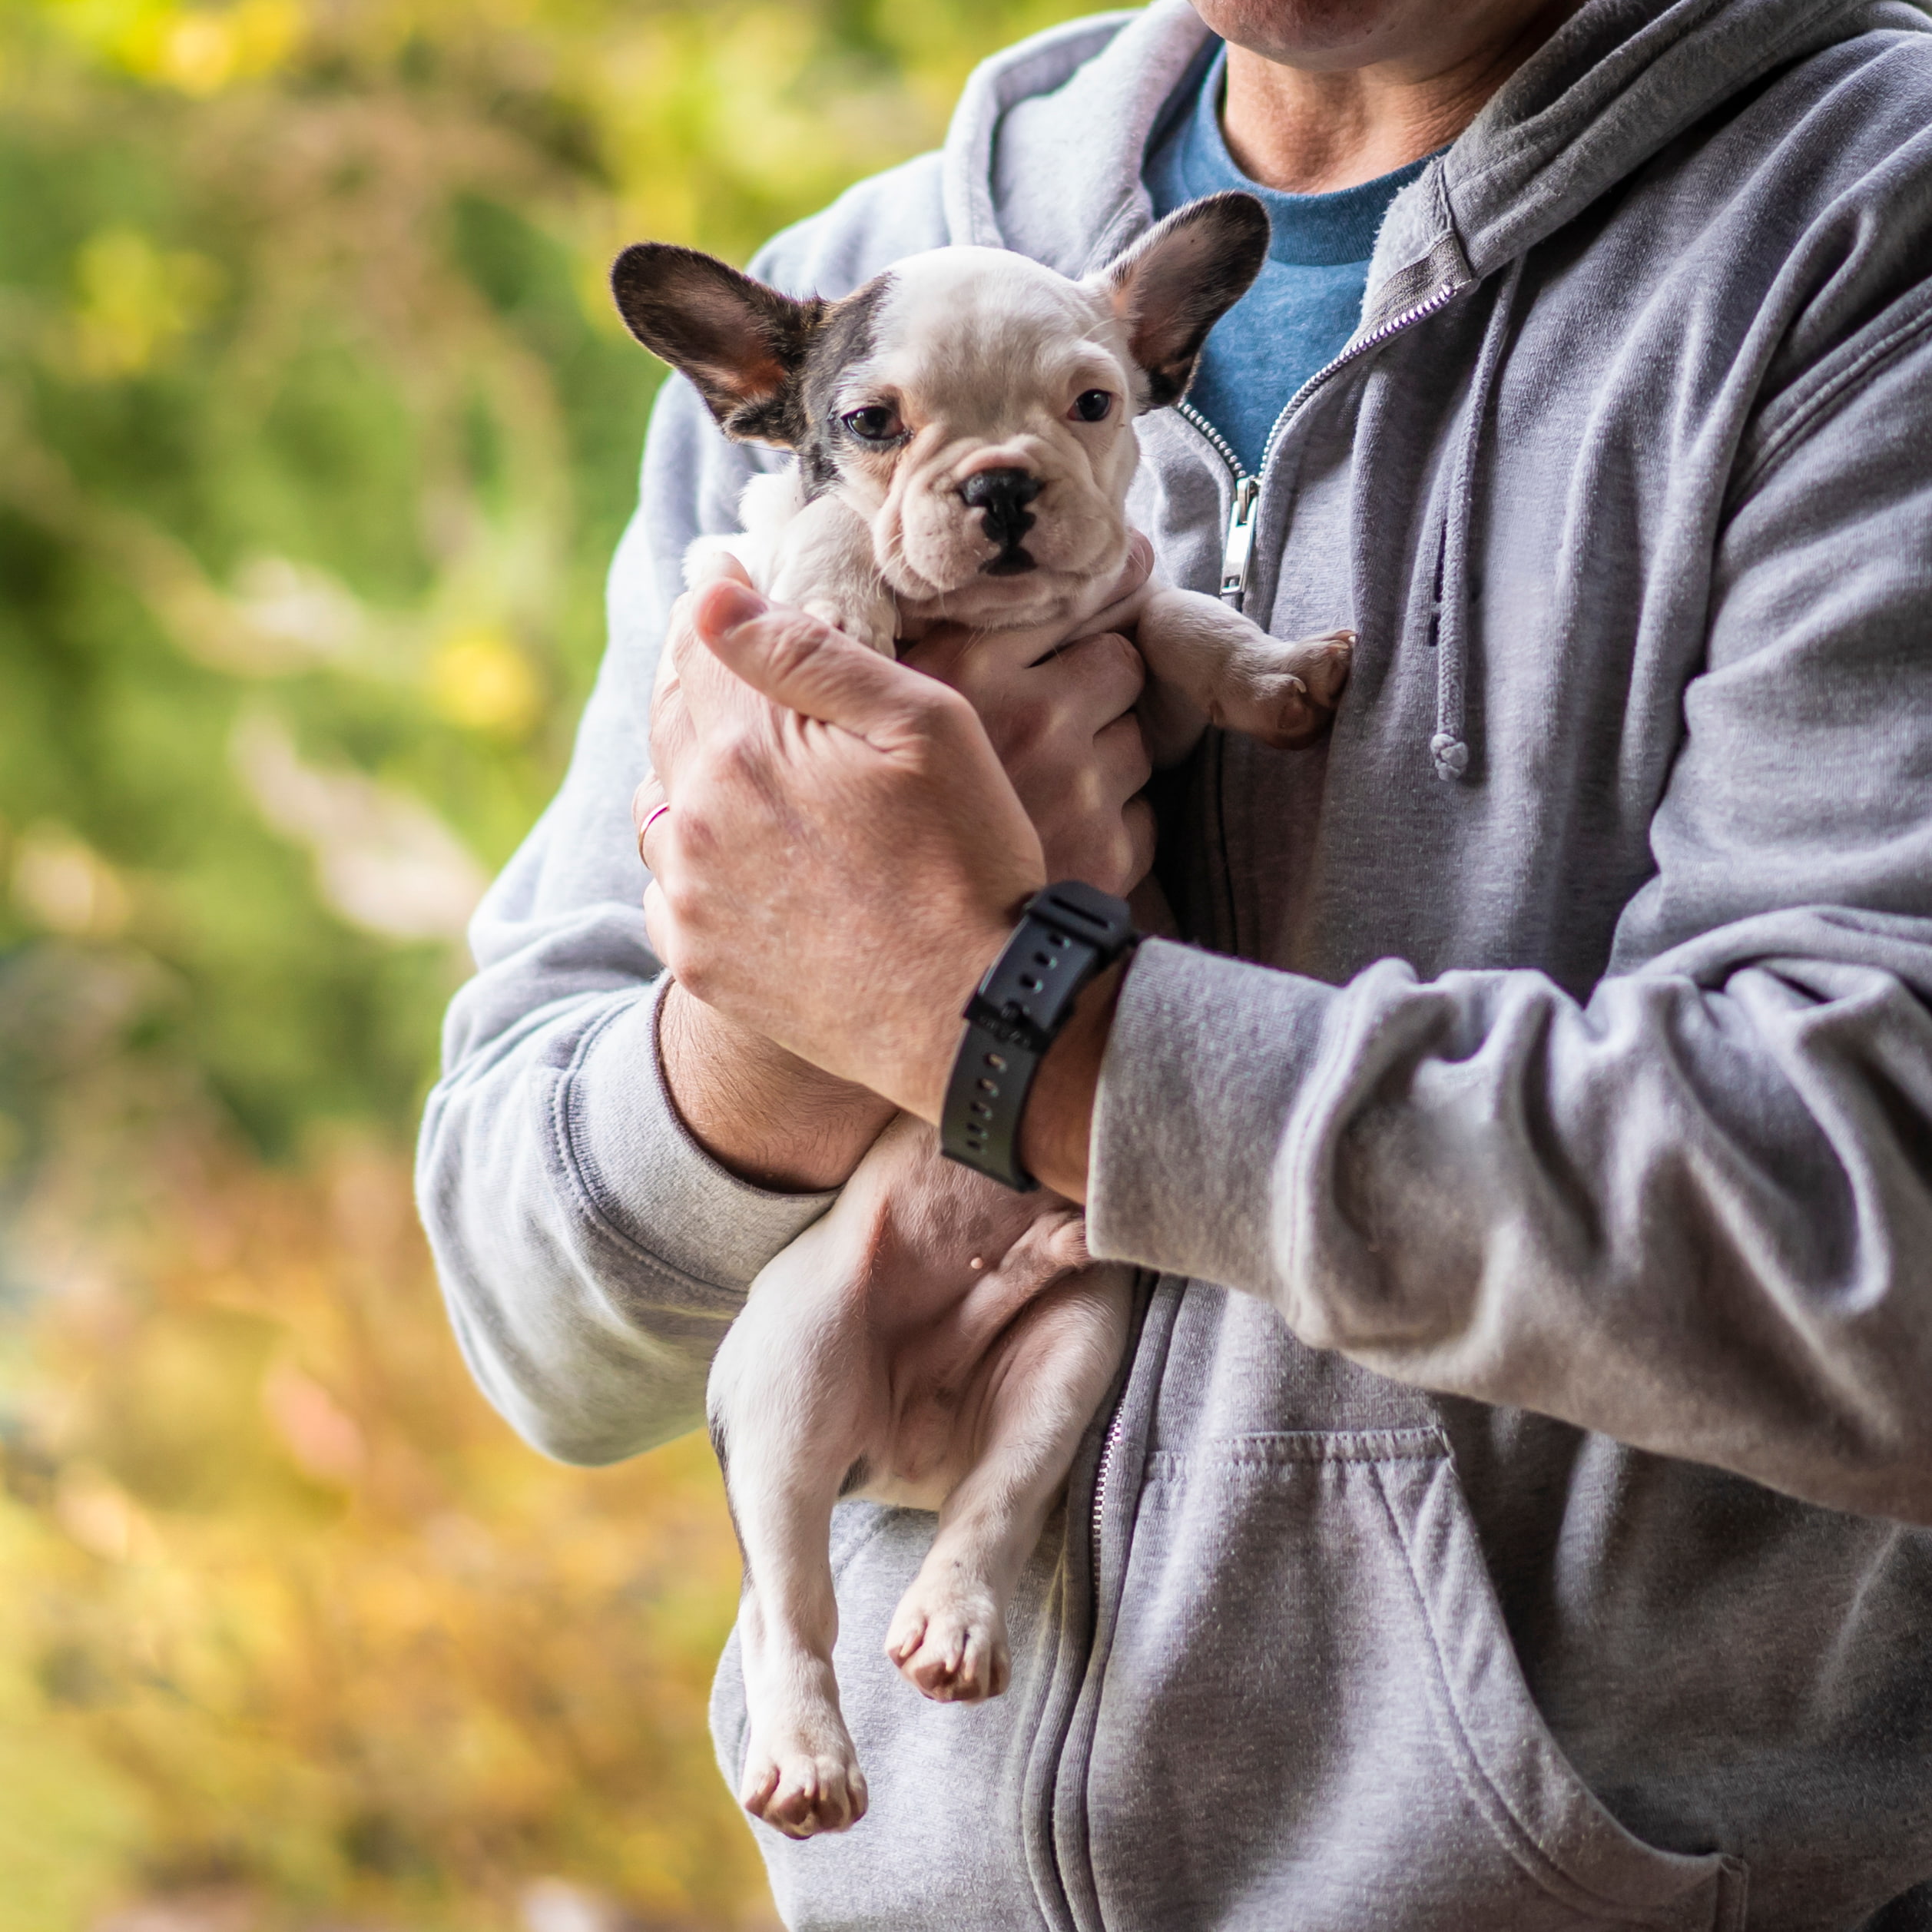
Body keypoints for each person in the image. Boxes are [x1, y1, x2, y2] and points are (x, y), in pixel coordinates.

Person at [416, 0, 1932, 1923]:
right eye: (890, 433)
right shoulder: (829, 297)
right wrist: (777, 1025)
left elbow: (1880, 1229)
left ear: (1137, 370)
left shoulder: (1867, 227)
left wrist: (1009, 1022)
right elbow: (533, 1316)